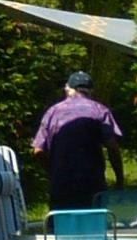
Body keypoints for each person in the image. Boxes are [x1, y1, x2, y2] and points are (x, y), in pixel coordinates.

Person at [31, 69, 125, 213]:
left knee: (61, 224)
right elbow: (112, 147)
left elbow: (38, 151)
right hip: (92, 184)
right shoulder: (100, 111)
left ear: (68, 89)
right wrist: (119, 181)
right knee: (93, 223)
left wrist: (53, 171)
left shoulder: (53, 112)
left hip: (62, 185)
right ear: (90, 91)